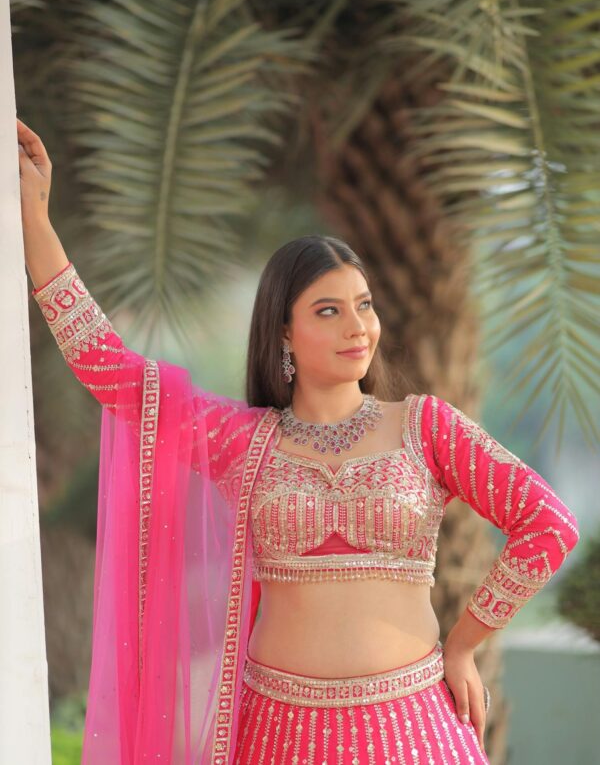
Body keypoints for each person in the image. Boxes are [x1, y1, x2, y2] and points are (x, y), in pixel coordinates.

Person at [18, 117, 580, 765]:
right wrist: (37, 223)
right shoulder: (244, 440)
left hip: (414, 730)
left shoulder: (426, 428)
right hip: (280, 737)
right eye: (328, 310)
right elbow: (112, 373)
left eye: (364, 305)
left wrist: (463, 644)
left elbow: (549, 525)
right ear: (284, 333)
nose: (357, 326)